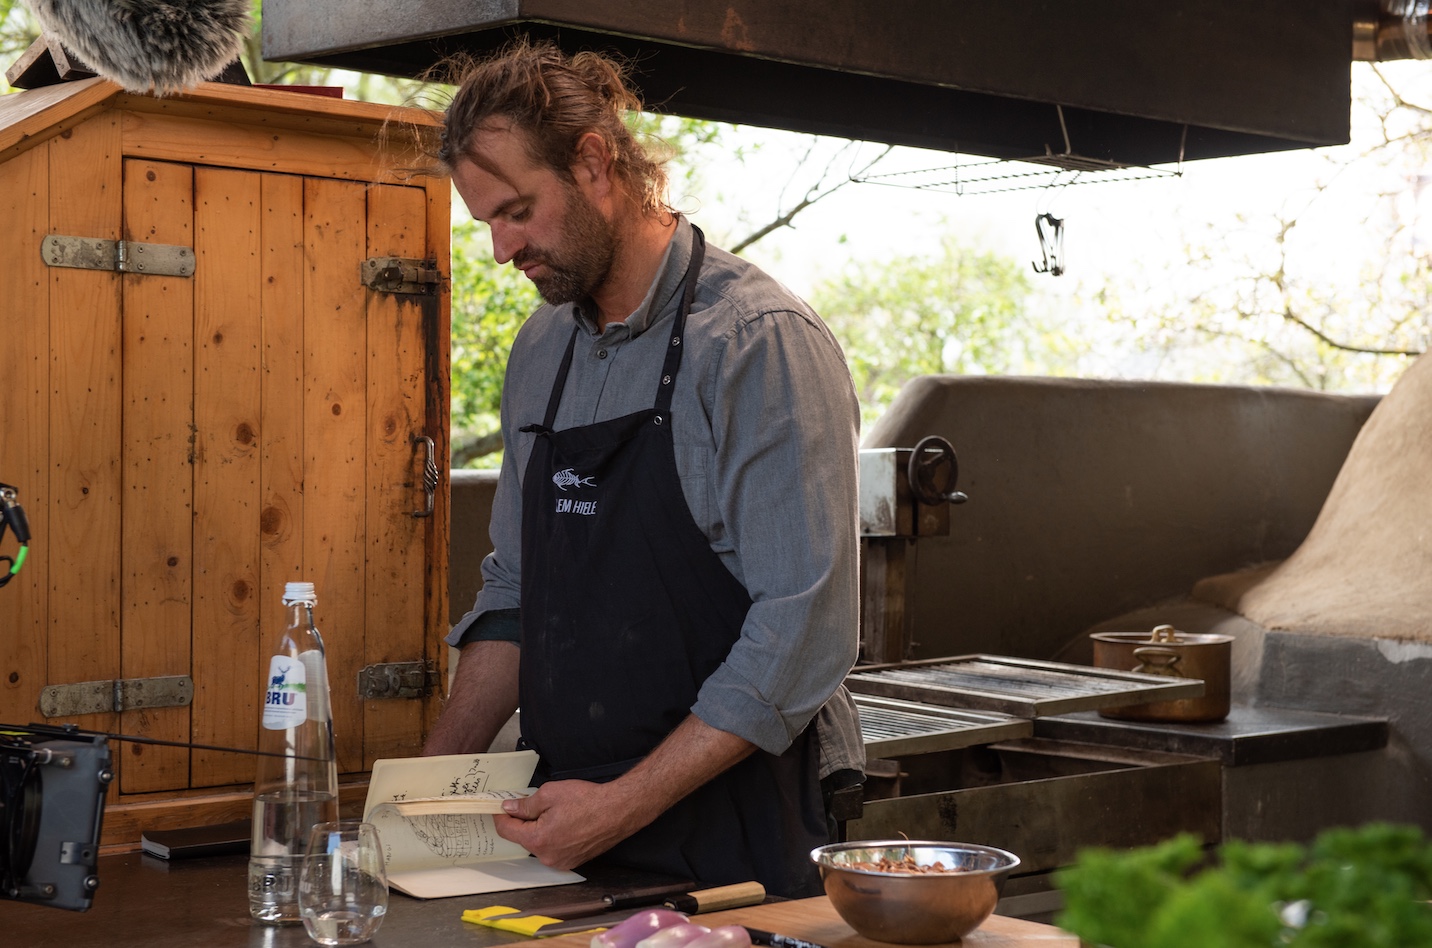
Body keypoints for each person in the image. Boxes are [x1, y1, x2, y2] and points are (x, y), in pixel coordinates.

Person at [422, 40, 863, 899]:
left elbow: (802, 632)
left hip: (737, 839)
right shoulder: (542, 348)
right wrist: (425, 788)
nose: (501, 250)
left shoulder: (755, 343)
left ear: (593, 164)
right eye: (486, 223)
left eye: (517, 211)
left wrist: (621, 806)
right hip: (571, 839)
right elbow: (516, 589)